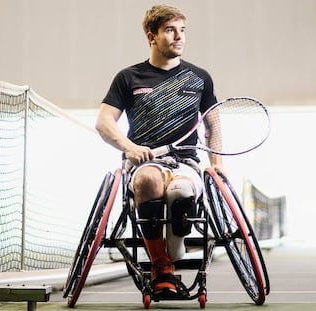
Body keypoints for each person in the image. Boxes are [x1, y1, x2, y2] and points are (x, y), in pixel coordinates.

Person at [95, 4, 223, 296]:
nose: (179, 36)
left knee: (181, 192)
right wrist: (129, 147)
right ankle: (162, 268)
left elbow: (213, 126)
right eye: (170, 30)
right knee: (149, 181)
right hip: (147, 163)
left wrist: (217, 165)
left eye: (182, 30)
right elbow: (104, 122)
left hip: (186, 163)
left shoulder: (199, 78)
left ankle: (174, 256)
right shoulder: (128, 78)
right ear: (151, 37)